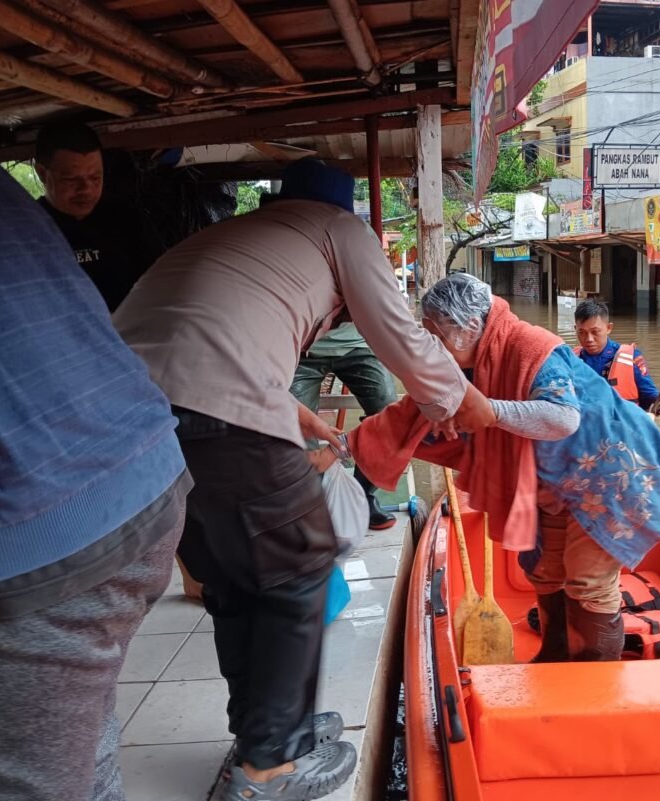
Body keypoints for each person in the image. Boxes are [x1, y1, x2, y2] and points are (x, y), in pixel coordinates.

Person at [113, 158, 493, 801]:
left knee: (234, 580)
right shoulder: (339, 231)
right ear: (343, 212)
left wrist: (309, 420)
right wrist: (462, 403)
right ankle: (268, 769)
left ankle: (264, 731)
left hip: (125, 415)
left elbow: (212, 342)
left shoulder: (239, 237)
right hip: (215, 411)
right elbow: (400, 334)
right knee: (302, 568)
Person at [0, 99, 189, 801]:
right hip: (143, 474)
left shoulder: (130, 225)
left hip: (25, 547)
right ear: (44, 173)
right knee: (77, 751)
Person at [323, 274, 660, 663]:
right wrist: (340, 446)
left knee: (587, 580)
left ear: (470, 327)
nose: (431, 345)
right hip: (555, 482)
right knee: (545, 568)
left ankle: (593, 676)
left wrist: (493, 411)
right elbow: (409, 415)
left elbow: (563, 419)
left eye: (438, 335)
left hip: (610, 471)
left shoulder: (532, 347)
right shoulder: (460, 364)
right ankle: (556, 653)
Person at [35, 121, 152, 311]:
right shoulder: (28, 229)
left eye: (95, 177)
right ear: (42, 173)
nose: (86, 189)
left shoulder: (124, 219)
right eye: (72, 179)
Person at [291, 323, 398, 530]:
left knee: (389, 413)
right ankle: (314, 500)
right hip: (301, 348)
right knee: (291, 423)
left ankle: (362, 496)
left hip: (359, 344)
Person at [572, 299, 660, 410]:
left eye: (595, 332)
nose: (589, 339)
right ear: (575, 329)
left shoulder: (631, 358)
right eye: (582, 332)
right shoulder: (569, 360)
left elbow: (651, 400)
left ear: (609, 328)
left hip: (621, 425)